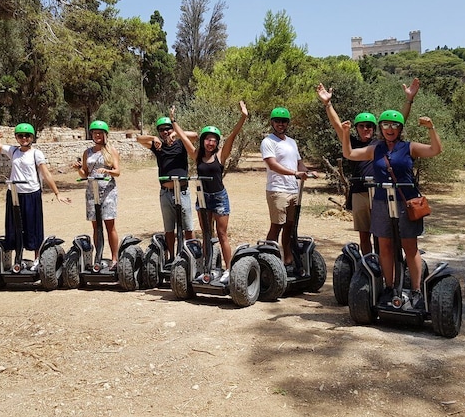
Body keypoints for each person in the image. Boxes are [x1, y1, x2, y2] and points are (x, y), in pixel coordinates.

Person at [341, 110, 442, 309]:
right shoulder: (375, 148)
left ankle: (415, 290)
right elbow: (349, 154)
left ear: (401, 129)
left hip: (406, 202)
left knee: (409, 247)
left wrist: (431, 128)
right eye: (386, 125)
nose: (390, 129)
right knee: (385, 246)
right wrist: (345, 133)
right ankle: (388, 287)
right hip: (381, 201)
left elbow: (435, 150)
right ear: (381, 128)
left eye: (394, 125)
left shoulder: (409, 147)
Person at [317, 78, 420, 255]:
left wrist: (409, 100)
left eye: (369, 126)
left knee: (384, 234)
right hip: (360, 191)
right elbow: (337, 125)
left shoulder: (382, 143)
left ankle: (387, 261)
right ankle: (368, 264)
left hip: (382, 192)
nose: (366, 129)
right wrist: (328, 104)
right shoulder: (352, 143)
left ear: (375, 128)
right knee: (364, 235)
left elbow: (399, 121)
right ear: (357, 128)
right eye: (362, 126)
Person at [170, 101, 249, 284]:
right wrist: (174, 121)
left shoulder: (221, 155)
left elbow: (233, 136)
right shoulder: (197, 155)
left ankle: (229, 269)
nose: (210, 142)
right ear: (203, 140)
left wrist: (243, 117)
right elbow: (183, 138)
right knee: (206, 234)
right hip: (202, 199)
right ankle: (207, 267)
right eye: (207, 139)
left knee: (221, 234)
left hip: (219, 198)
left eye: (214, 140)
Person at [0, 109, 70, 270]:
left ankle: (37, 259)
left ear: (32, 138)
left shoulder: (36, 153)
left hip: (31, 193)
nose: (24, 139)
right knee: (15, 226)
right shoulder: (13, 151)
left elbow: (45, 173)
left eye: (27, 136)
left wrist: (57, 193)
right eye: (20, 136)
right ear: (16, 138)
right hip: (14, 194)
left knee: (33, 226)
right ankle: (19, 258)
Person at [260, 107, 316, 274]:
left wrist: (307, 172)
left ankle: (288, 260)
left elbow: (298, 163)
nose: (280, 124)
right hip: (277, 190)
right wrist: (295, 173)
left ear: (288, 123)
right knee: (277, 225)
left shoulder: (291, 142)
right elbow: (272, 164)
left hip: (293, 189)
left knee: (290, 227)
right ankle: (267, 260)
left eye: (283, 121)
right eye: (277, 121)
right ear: (272, 122)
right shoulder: (268, 142)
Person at [137, 116, 198, 260]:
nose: (165, 132)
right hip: (166, 193)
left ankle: (192, 257)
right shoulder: (158, 146)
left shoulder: (181, 143)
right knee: (169, 229)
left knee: (188, 228)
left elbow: (195, 135)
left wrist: (176, 133)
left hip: (182, 191)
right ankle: (171, 257)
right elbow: (138, 139)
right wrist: (153, 138)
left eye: (168, 128)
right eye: (162, 130)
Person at [72, 120, 121, 270]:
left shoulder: (111, 150)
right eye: (94, 133)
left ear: (105, 134)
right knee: (95, 226)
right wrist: (78, 169)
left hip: (107, 191)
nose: (97, 135)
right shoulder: (88, 152)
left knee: (109, 225)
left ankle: (115, 259)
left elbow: (117, 172)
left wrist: (107, 171)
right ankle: (98, 257)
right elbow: (85, 173)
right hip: (91, 191)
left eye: (100, 133)